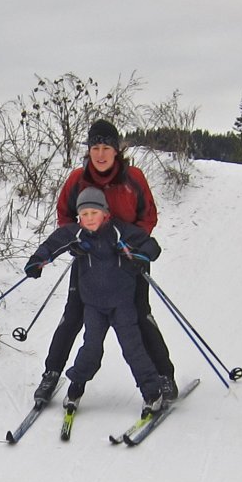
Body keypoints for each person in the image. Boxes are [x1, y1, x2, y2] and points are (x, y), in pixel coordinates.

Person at [31, 119, 174, 406]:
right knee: (72, 316)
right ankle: (52, 373)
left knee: (140, 318)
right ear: (89, 150)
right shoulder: (77, 179)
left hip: (129, 258)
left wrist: (133, 248)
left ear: (116, 150)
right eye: (95, 147)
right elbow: (64, 217)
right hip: (89, 259)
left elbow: (148, 215)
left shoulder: (133, 178)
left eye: (106, 147)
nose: (100, 153)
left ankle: (163, 376)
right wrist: (77, 243)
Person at [24, 187, 168, 411]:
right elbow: (53, 244)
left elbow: (152, 245)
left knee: (133, 348)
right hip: (93, 305)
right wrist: (37, 261)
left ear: (105, 213)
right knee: (90, 349)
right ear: (79, 217)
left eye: (94, 213)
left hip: (122, 304)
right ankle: (75, 389)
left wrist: (141, 256)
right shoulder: (77, 235)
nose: (89, 218)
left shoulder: (120, 231)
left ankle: (152, 393)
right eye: (84, 214)